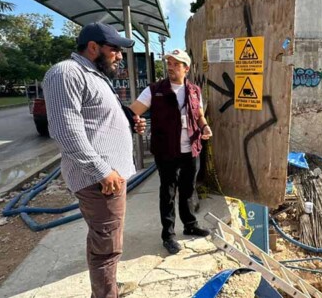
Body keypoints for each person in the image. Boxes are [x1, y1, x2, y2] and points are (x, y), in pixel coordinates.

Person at [43, 22, 147, 298]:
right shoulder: (66, 73)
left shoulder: (95, 75)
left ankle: (108, 286)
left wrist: (127, 122)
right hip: (100, 181)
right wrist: (102, 170)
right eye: (114, 49)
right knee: (106, 246)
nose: (119, 56)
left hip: (108, 179)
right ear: (93, 47)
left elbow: (95, 119)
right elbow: (65, 131)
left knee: (109, 241)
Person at [129, 49, 213, 254]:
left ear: (186, 68)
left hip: (191, 148)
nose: (171, 67)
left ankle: (190, 224)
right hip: (166, 150)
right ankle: (168, 235)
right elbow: (133, 112)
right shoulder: (154, 90)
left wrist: (204, 127)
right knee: (168, 192)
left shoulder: (194, 91)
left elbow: (199, 115)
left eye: (176, 64)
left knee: (187, 189)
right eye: (169, 63)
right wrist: (135, 123)